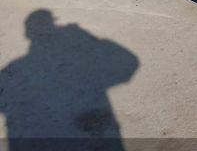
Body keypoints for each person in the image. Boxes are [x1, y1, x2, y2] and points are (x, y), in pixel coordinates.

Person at [0, 10, 138, 149]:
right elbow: (130, 63)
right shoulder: (15, 67)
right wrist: (92, 39)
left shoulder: (14, 67)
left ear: (27, 33)